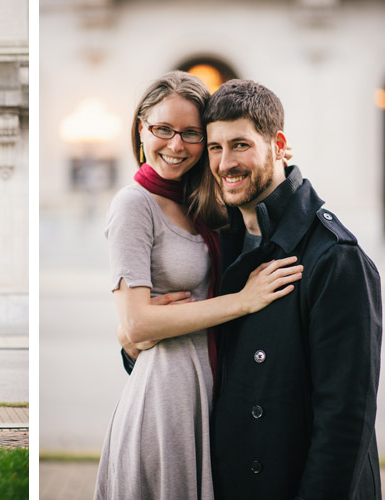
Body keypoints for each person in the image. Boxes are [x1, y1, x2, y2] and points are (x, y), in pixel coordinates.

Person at [94, 71, 303, 500]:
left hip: (213, 386)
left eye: (190, 134)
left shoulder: (204, 199)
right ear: (141, 129)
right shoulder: (133, 205)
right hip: (168, 395)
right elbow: (135, 325)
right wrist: (242, 301)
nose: (175, 145)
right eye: (163, 129)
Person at [203, 79, 381, 499]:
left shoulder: (334, 257)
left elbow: (344, 422)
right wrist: (136, 348)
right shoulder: (216, 247)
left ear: (278, 145)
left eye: (240, 145)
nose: (225, 162)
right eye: (215, 147)